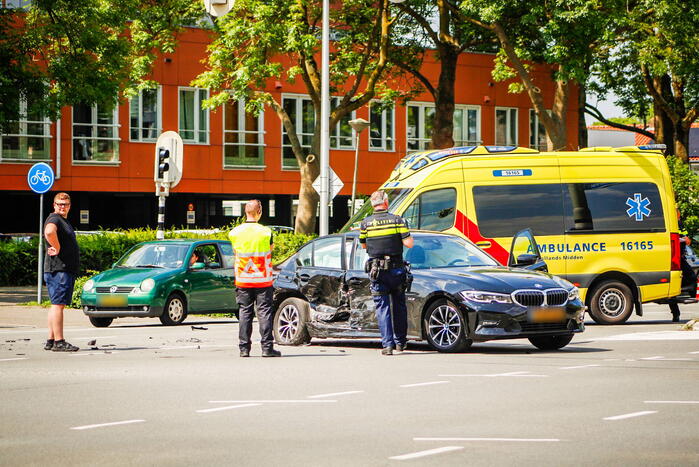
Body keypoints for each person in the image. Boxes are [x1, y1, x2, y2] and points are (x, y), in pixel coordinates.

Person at [359, 190, 413, 356]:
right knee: (399, 305)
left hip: (377, 271)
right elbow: (409, 243)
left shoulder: (365, 223)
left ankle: (387, 345)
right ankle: (400, 343)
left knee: (382, 308)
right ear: (386, 202)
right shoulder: (398, 220)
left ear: (373, 204)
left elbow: (363, 246)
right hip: (396, 269)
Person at [228, 200, 281, 358]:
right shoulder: (266, 232)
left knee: (245, 312)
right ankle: (267, 348)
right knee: (264, 312)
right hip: (262, 279)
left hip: (243, 279)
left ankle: (244, 348)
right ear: (260, 211)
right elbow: (270, 250)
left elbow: (235, 252)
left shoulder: (235, 233)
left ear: (245, 211)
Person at [43, 192, 80, 352]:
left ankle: (51, 340)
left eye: (65, 204)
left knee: (56, 305)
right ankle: (59, 341)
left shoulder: (62, 220)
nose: (62, 207)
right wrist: (57, 248)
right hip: (59, 269)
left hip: (58, 269)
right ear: (54, 205)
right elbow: (50, 231)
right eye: (59, 204)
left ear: (69, 206)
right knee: (58, 305)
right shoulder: (55, 219)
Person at [669, 211, 697, 322]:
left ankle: (687, 295)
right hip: (672, 257)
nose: (678, 216)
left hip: (680, 257)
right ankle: (675, 314)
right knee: (672, 286)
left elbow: (687, 240)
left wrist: (685, 239)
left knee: (692, 277)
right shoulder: (669, 224)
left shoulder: (679, 224)